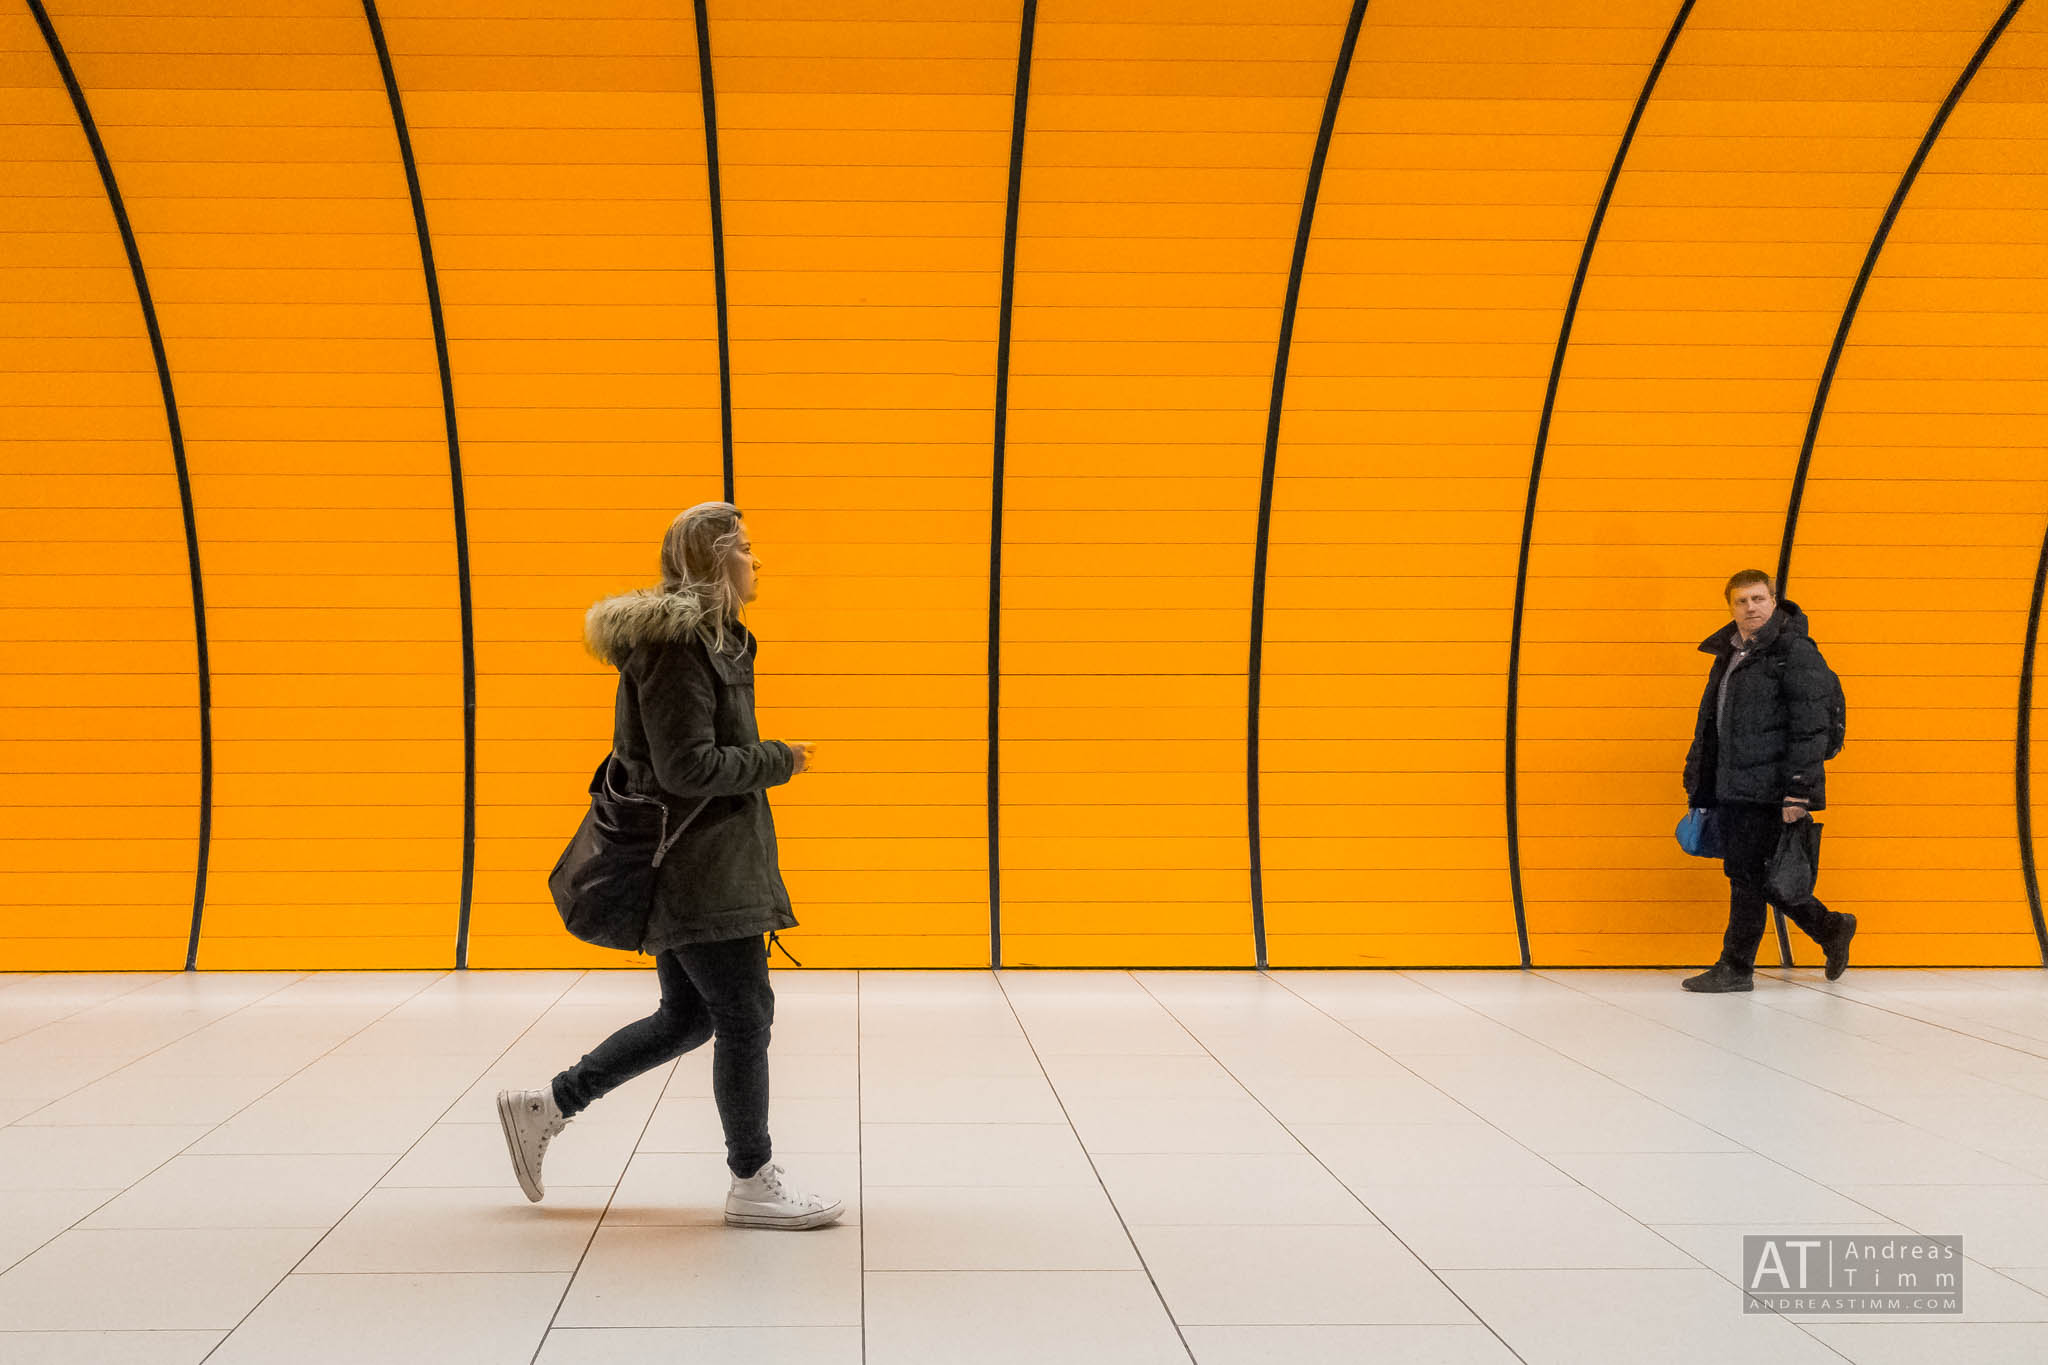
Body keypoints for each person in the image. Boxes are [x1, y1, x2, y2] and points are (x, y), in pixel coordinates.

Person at [496, 501, 842, 1229]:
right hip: (699, 869)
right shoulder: (678, 648)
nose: (757, 560)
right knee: (745, 1015)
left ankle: (547, 1105)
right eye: (745, 547)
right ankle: (752, 1177)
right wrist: (779, 758)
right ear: (715, 560)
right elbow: (687, 767)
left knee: (688, 1017)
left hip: (709, 861)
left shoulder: (711, 642)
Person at [1680, 569, 1857, 993]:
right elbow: (1712, 723)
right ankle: (1831, 928)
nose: (1750, 608)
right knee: (1752, 875)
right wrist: (1699, 779)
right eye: (1741, 602)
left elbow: (1811, 726)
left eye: (1758, 599)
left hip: (1772, 790)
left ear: (1773, 601)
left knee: (1748, 877)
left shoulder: (1793, 651)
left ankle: (1736, 967)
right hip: (1734, 786)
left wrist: (1799, 790)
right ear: (1731, 607)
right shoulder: (1731, 653)